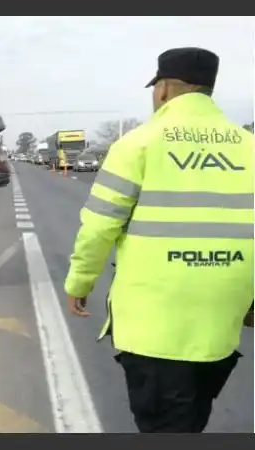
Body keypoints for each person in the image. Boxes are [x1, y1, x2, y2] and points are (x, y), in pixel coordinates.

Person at [63, 47, 253, 433]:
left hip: (155, 327)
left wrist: (80, 283)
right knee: (191, 419)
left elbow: (98, 227)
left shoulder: (138, 144)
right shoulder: (248, 147)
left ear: (164, 89)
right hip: (221, 321)